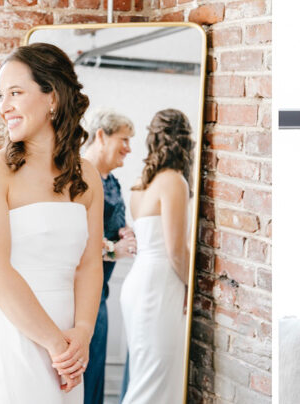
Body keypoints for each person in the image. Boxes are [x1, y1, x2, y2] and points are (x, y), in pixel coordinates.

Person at [0, 43, 103, 403]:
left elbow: (89, 265)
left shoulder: (86, 176)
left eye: (15, 93)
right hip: (12, 341)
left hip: (70, 348)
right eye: (0, 95)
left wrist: (82, 334)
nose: (2, 106)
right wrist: (56, 344)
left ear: (52, 97)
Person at [119, 108, 193, 404]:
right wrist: (193, 286)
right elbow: (175, 250)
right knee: (153, 382)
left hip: (140, 283)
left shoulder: (142, 183)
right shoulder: (174, 181)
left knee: (148, 377)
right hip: (159, 286)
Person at [80, 108, 138, 404]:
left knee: (96, 377)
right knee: (83, 378)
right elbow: (76, 239)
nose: (129, 148)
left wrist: (126, 234)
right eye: (124, 139)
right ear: (101, 136)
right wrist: (114, 249)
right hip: (80, 297)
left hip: (101, 292)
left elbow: (114, 226)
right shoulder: (79, 176)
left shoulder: (112, 181)